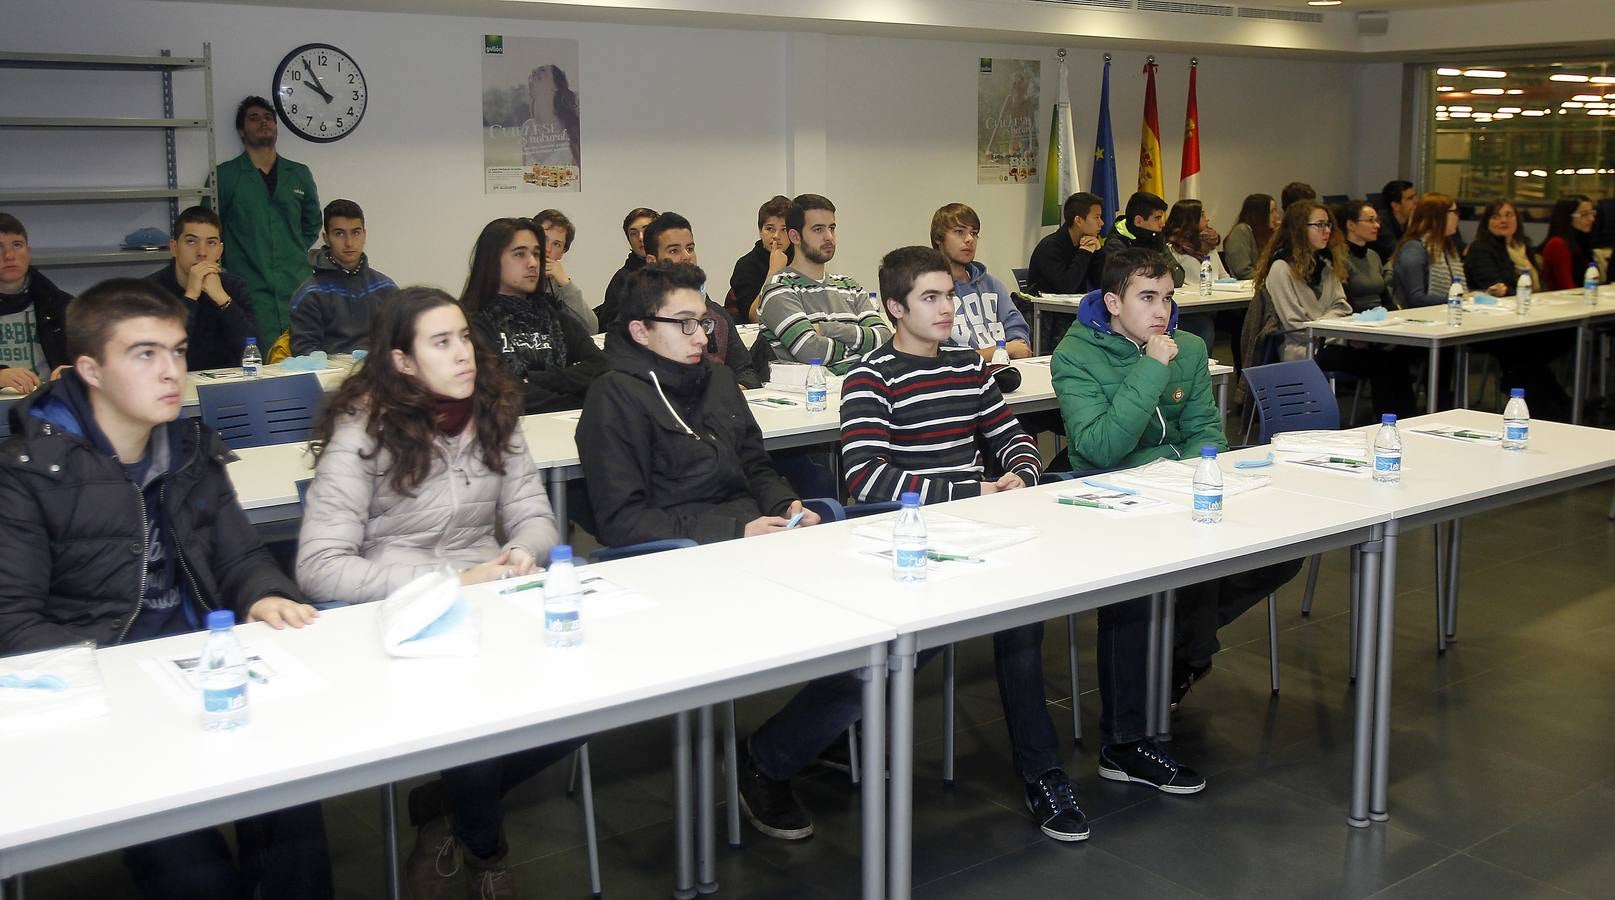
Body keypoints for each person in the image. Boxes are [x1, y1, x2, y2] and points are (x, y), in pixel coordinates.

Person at [737, 246, 1087, 847]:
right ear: (894, 307)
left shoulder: (968, 368)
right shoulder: (870, 377)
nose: (948, 308)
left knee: (1024, 626)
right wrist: (970, 489)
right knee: (890, 661)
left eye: (949, 295)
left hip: (977, 533)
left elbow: (1015, 440)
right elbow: (865, 482)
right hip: (900, 542)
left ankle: (1043, 775)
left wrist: (1021, 477)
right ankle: (766, 758)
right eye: (931, 298)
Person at [0, 277, 332, 900]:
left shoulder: (190, 449)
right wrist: (128, 682)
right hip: (105, 694)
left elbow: (241, 556)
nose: (172, 371)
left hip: (197, 672)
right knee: (192, 866)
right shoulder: (28, 474)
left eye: (178, 351)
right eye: (145, 354)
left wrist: (264, 595)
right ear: (90, 370)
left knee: (297, 801)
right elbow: (14, 624)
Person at [294, 285, 560, 900]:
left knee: (590, 697)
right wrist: (450, 582)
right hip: (401, 608)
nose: (464, 353)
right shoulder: (363, 432)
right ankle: (487, 851)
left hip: (488, 593)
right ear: (402, 362)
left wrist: (524, 551)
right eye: (442, 343)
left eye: (464, 337)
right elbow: (319, 566)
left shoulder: (495, 412)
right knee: (471, 719)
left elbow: (535, 516)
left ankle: (441, 806)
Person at [1050, 247, 1299, 737]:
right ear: (1113, 303)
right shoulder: (1075, 355)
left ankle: (1182, 649)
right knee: (1185, 561)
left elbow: (1208, 434)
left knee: (1283, 549)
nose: (1162, 310)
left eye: (1167, 297)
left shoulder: (1183, 345)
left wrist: (1190, 473)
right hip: (1111, 493)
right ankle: (1184, 658)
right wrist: (1150, 368)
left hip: (1181, 489)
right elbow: (1101, 448)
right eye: (1147, 297)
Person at [575, 261, 820, 547]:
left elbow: (755, 466)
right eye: (685, 324)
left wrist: (784, 504)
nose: (703, 338)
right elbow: (623, 522)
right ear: (641, 331)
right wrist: (735, 530)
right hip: (678, 555)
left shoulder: (719, 379)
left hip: (751, 537)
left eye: (702, 322)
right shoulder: (613, 397)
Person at [1245, 200, 1418, 417]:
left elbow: (1342, 306)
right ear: (1299, 229)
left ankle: (1403, 422)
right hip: (1303, 349)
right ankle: (1387, 423)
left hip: (1329, 342)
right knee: (1382, 364)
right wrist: (1328, 328)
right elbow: (1295, 324)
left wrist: (1324, 327)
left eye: (1328, 225)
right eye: (1318, 225)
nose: (1326, 230)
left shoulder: (1324, 266)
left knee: (1395, 359)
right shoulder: (1281, 268)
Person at [460, 218, 605, 414]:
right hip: (509, 432)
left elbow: (602, 366)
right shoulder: (472, 321)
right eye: (520, 254)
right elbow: (503, 395)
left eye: (536, 254)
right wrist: (579, 392)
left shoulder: (552, 315)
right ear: (492, 260)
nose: (533, 263)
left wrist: (540, 380)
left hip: (565, 426)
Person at [216, 96, 321, 346]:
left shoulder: (298, 173)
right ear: (242, 131)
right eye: (254, 118)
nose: (263, 123)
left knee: (302, 356)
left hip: (295, 283)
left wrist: (290, 251)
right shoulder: (226, 176)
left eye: (268, 118)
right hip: (248, 286)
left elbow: (312, 223)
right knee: (256, 362)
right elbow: (210, 229)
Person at [756, 194, 891, 374]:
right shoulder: (779, 288)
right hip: (815, 394)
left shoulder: (850, 286)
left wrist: (828, 328)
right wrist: (860, 345)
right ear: (795, 236)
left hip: (864, 385)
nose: (829, 237)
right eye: (818, 229)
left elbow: (884, 339)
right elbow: (810, 351)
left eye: (832, 228)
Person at [1466, 199, 1573, 419]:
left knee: (1564, 335)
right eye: (1496, 216)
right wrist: (1514, 291)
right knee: (1525, 353)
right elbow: (1498, 287)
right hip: (1491, 325)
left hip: (1522, 319)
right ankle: (1555, 406)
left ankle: (1525, 385)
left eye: (1508, 215)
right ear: (1486, 222)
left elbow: (1530, 287)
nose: (1503, 220)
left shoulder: (1521, 248)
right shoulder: (1481, 249)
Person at [640, 211, 761, 388]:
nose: (686, 256)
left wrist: (733, 390)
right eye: (674, 250)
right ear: (652, 261)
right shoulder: (640, 316)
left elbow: (746, 371)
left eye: (690, 248)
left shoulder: (716, 315)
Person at [142, 206, 259, 371]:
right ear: (174, 248)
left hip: (227, 387)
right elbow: (160, 354)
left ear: (220, 251)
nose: (202, 252)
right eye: (191, 241)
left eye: (211, 243)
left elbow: (255, 351)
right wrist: (190, 298)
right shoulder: (149, 291)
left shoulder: (234, 287)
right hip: (172, 386)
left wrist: (223, 300)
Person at [287, 199, 396, 356]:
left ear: (364, 235)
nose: (349, 242)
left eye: (355, 232)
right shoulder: (309, 295)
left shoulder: (386, 288)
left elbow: (401, 343)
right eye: (339, 233)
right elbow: (306, 355)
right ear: (326, 238)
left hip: (379, 376)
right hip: (330, 378)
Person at [930, 202, 1032, 359]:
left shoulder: (992, 285)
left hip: (1003, 369)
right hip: (958, 377)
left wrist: (1014, 346)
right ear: (938, 239)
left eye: (974, 233)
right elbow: (936, 353)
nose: (969, 239)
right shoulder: (928, 290)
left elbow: (1017, 329)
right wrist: (1000, 351)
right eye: (959, 232)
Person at [0, 212, 71, 390]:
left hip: (47, 407)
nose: (9, 255)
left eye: (17, 245)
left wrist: (77, 373)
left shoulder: (65, 306)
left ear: (28, 252)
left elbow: (99, 361)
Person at [1161, 199, 1226, 348]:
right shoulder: (1172, 247)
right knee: (1203, 326)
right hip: (1188, 309)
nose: (1207, 219)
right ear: (1190, 219)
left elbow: (1223, 276)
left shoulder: (1209, 245)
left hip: (1214, 302)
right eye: (1202, 215)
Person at [1392, 193, 1466, 308]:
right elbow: (1416, 299)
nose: (1458, 217)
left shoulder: (1446, 247)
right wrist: (1459, 299)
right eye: (1455, 212)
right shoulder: (1413, 249)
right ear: (1438, 216)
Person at [727, 195, 792, 324]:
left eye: (784, 230)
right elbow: (754, 317)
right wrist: (774, 272)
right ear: (760, 231)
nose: (776, 236)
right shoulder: (746, 265)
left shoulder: (801, 260)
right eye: (770, 229)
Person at [1026, 191, 1106, 296]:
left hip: (1074, 309)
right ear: (1078, 220)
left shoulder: (1086, 243)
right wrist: (1084, 253)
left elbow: (1102, 283)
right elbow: (1067, 287)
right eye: (1096, 217)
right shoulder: (1049, 247)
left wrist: (1099, 251)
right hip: (1046, 310)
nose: (1102, 223)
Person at [533, 207, 597, 332]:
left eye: (556, 244)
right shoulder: (512, 278)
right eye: (543, 239)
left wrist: (565, 283)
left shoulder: (555, 283)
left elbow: (591, 329)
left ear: (562, 252)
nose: (547, 249)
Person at [596, 206, 658, 329]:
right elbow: (609, 326)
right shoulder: (623, 278)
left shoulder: (677, 270)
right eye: (634, 234)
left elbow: (706, 309)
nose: (641, 238)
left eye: (646, 230)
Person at [1103, 191, 1181, 287]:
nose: (1163, 224)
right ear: (1139, 221)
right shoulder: (1116, 243)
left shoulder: (1156, 237)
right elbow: (1130, 283)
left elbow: (1178, 277)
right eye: (1157, 218)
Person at [1336, 199, 1395, 312]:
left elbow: (1385, 297)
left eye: (1377, 220)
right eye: (1370, 220)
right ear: (1351, 225)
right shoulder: (1339, 257)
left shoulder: (1373, 256)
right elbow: (1346, 303)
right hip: (1356, 319)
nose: (1377, 225)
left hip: (1381, 316)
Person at [521, 64, 580, 170]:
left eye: (542, 70)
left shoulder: (571, 126)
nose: (534, 72)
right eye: (534, 71)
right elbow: (524, 176)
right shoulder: (527, 127)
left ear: (556, 86)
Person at [1539, 195, 1599, 291]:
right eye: (1584, 214)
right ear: (1567, 217)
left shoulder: (1583, 240)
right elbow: (1567, 288)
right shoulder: (1557, 244)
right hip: (1564, 302)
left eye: (1592, 213)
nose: (1592, 219)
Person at [1221, 193, 1279, 280]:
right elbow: (1243, 271)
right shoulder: (1241, 231)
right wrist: (1273, 278)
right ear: (1260, 214)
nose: (1277, 216)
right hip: (1245, 289)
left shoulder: (1265, 234)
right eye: (1272, 211)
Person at [1368, 179, 1418, 264]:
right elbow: (1400, 254)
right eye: (1410, 198)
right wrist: (1411, 228)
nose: (1417, 201)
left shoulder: (1410, 220)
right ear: (1395, 206)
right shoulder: (1380, 224)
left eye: (1416, 196)